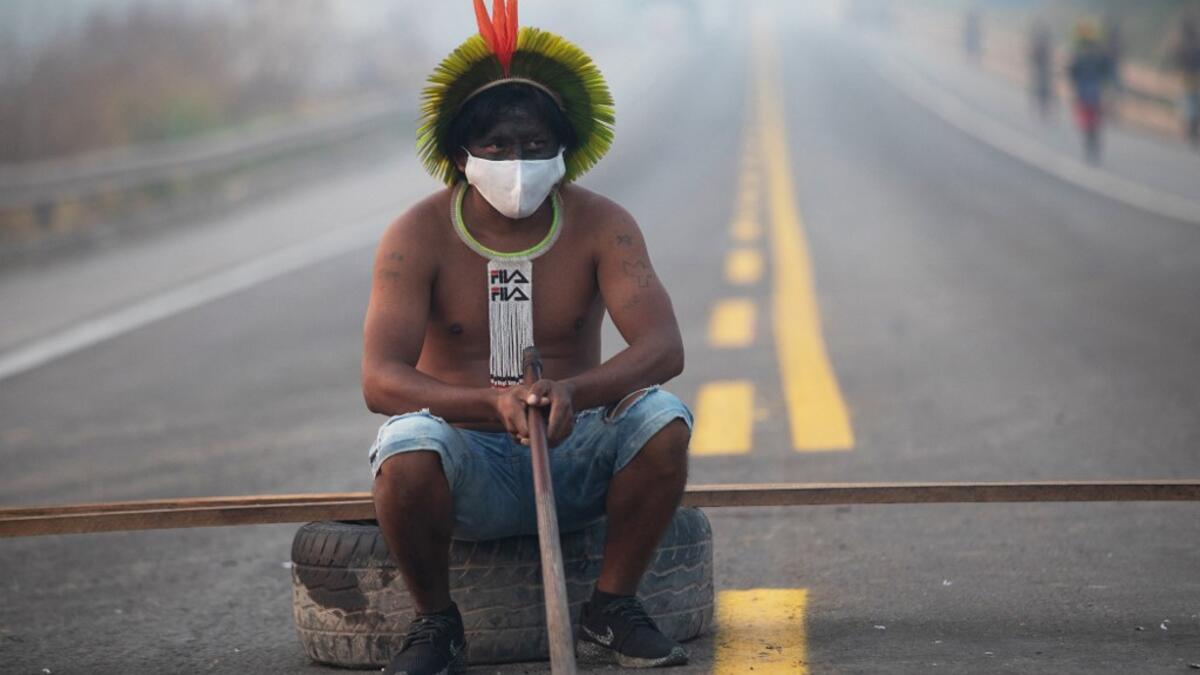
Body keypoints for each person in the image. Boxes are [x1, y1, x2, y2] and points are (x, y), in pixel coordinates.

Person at [361, 1, 693, 672]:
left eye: (538, 146)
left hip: (575, 454)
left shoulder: (604, 225)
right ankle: (437, 623)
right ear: (461, 154)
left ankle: (612, 605)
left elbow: (664, 348)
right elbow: (379, 380)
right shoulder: (415, 235)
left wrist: (574, 389)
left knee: (663, 418)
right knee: (405, 444)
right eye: (499, 147)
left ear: (565, 152)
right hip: (468, 465)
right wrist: (490, 403)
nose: (520, 163)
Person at [1067, 18, 1115, 162]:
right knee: (1092, 122)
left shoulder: (1079, 54)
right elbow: (1107, 71)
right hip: (1092, 92)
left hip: (1086, 93)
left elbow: (1071, 73)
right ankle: (1093, 143)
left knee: (1088, 122)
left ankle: (1091, 143)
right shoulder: (1097, 53)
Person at [1170, 16, 1200, 147]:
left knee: (1188, 107)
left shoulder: (1185, 44)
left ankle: (1188, 133)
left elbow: (1177, 58)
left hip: (1187, 79)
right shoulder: (1194, 44)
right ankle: (1190, 133)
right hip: (1193, 78)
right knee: (1192, 107)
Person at [1028, 18, 1055, 118]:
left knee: (1042, 88)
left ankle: (1043, 108)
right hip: (1041, 68)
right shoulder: (1041, 39)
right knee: (1041, 88)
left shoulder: (1038, 39)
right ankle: (1043, 108)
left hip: (1042, 68)